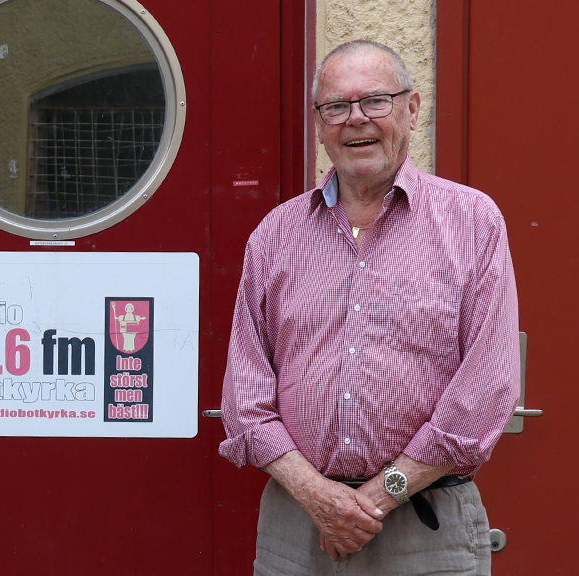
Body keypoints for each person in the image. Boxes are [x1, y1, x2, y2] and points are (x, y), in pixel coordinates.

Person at [218, 40, 519, 575]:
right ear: (319, 124)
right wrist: (319, 498)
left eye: (376, 101)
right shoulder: (276, 235)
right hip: (298, 525)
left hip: (426, 528)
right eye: (336, 106)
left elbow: (486, 388)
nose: (356, 119)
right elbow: (246, 397)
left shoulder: (472, 223)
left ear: (412, 108)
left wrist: (378, 497)